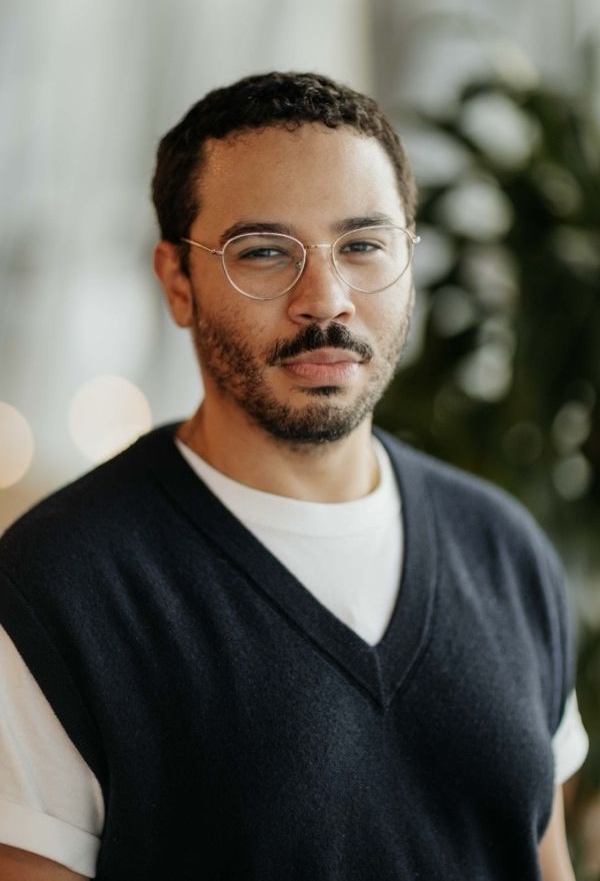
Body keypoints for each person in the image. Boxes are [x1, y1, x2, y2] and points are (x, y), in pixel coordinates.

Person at [0, 71, 589, 881]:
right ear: (178, 282)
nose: (327, 300)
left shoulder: (504, 548)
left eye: (363, 245)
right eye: (266, 252)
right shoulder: (57, 587)